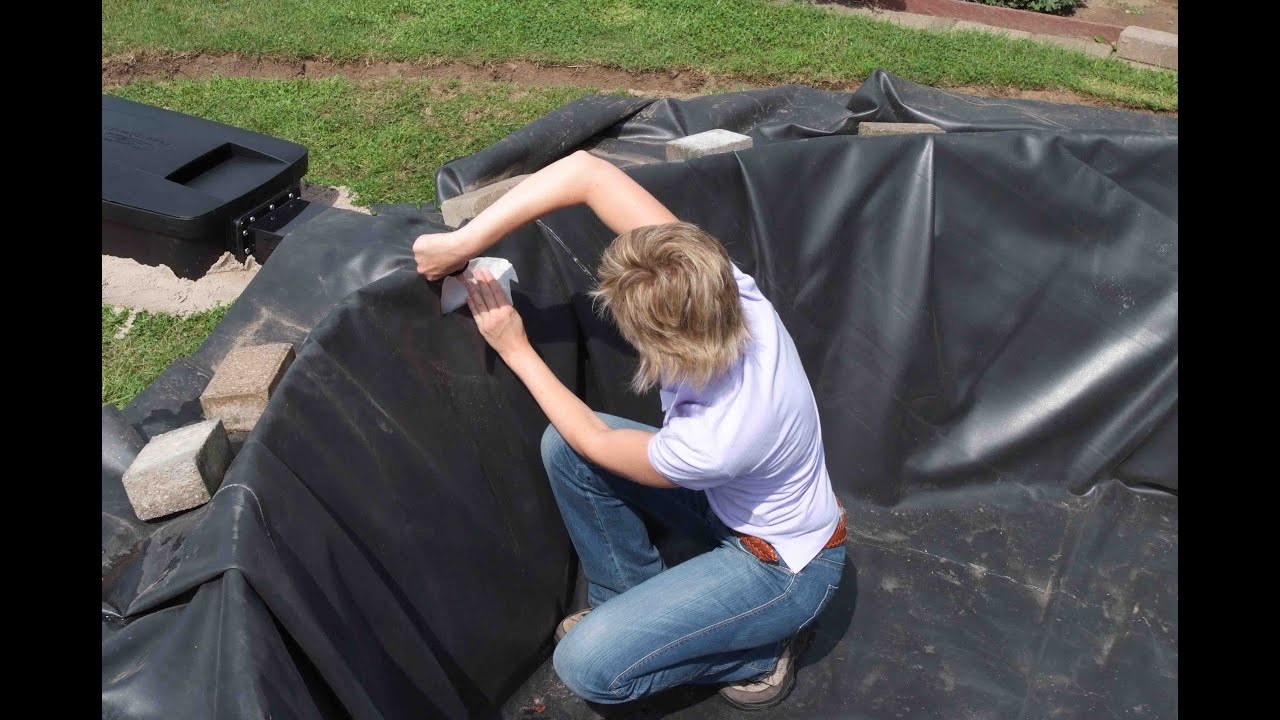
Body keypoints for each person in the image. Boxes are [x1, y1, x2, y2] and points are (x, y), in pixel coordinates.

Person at [413, 151, 845, 710]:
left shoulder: (722, 435)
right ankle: (627, 597)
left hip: (782, 570)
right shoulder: (733, 296)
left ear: (663, 339)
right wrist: (461, 243)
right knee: (564, 448)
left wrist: (514, 347)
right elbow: (587, 173)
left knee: (586, 667)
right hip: (734, 506)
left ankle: (757, 652)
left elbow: (598, 439)